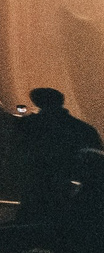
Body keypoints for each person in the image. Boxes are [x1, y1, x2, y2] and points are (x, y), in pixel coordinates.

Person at [14, 89, 104, 221]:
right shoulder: (82, 128)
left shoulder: (28, 126)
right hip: (70, 189)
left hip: (37, 186)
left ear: (38, 102)